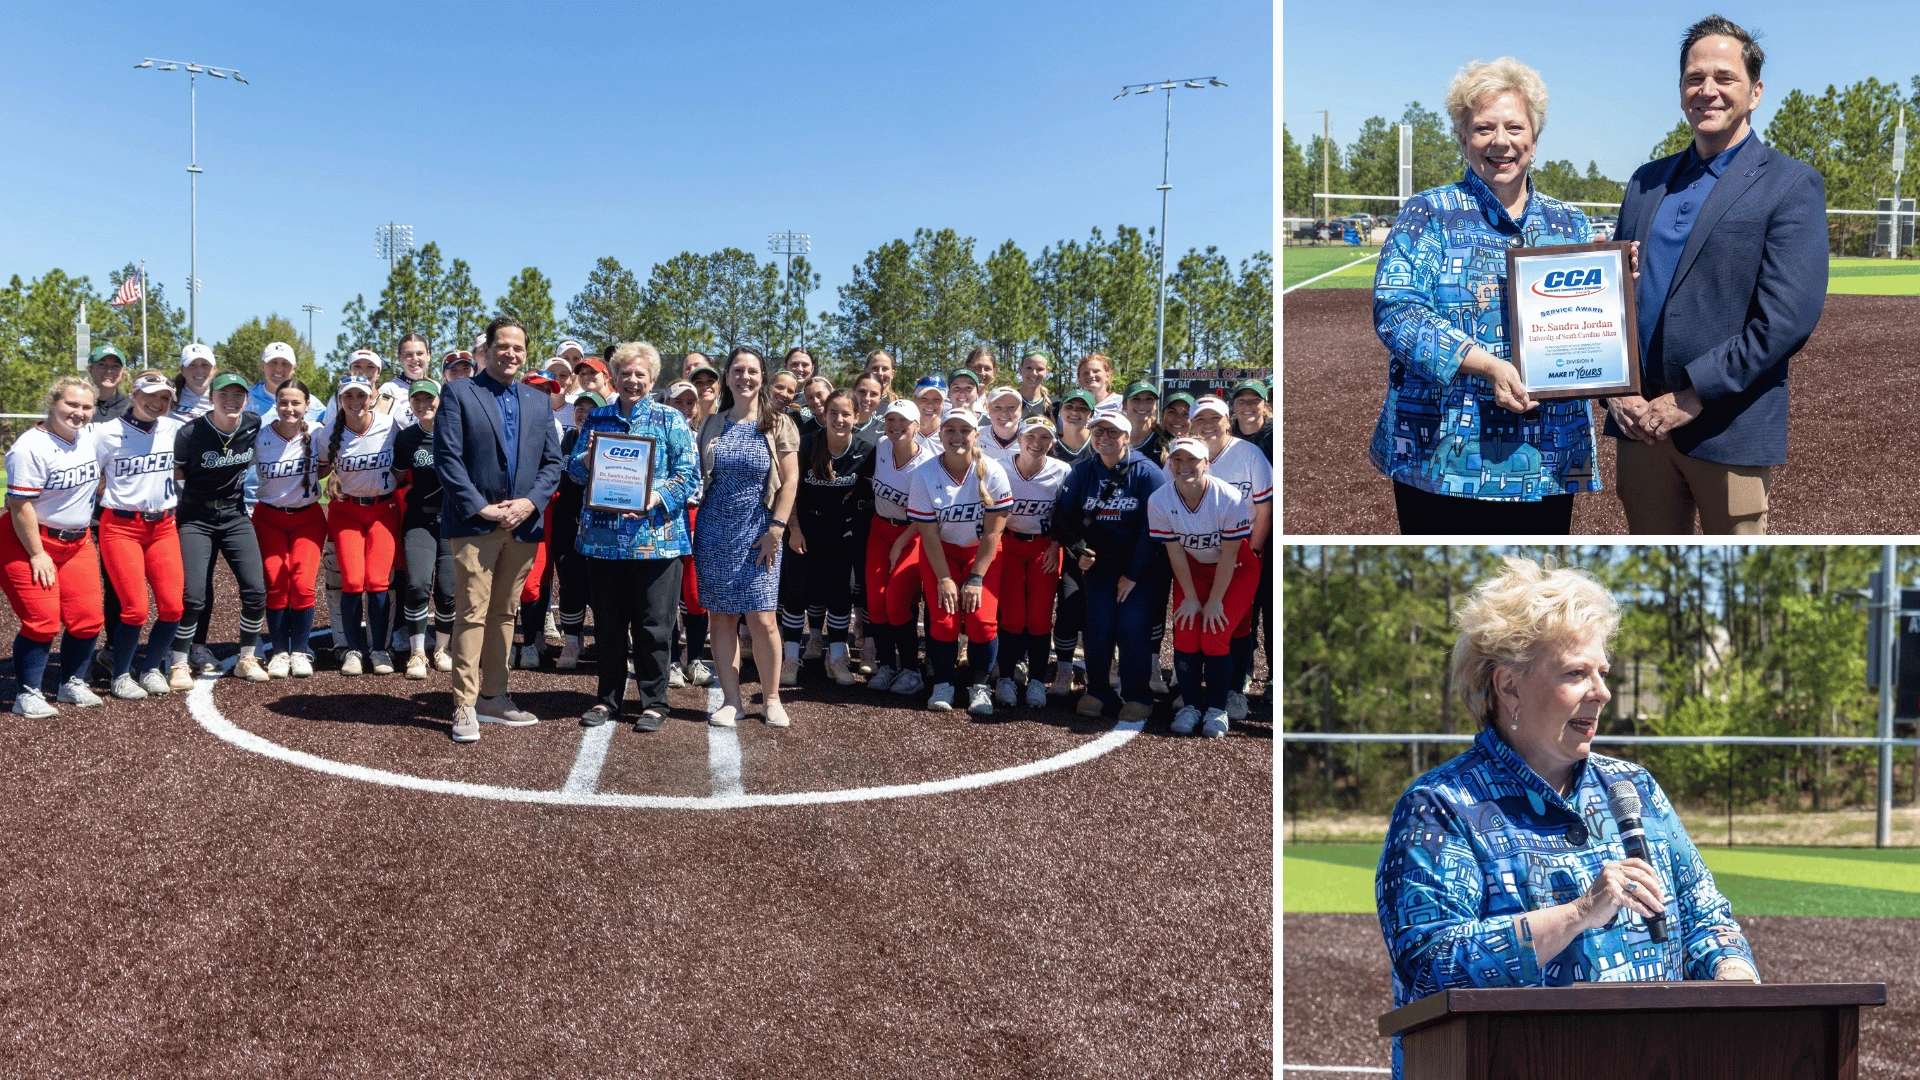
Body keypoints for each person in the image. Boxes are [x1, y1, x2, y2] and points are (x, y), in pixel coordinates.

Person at [1376, 557, 1758, 1080]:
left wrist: (1734, 976)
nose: (1601, 692)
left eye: (1602, 672)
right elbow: (1430, 967)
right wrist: (1579, 913)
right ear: (1509, 686)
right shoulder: (1441, 806)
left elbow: (1705, 918)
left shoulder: (1633, 787)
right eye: (1577, 673)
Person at [1605, 16, 1827, 535]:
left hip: (1728, 426)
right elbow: (1612, 299)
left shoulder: (1791, 184)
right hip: (1641, 424)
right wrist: (1616, 392)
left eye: (1725, 77)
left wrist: (1692, 397)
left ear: (1755, 92)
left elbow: (1785, 321)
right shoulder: (1646, 182)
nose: (1708, 90)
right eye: (1694, 78)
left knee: (1738, 567)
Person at [1368, 57, 1602, 534]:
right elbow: (1396, 311)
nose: (1500, 141)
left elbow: (1593, 325)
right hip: (1442, 458)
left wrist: (1615, 284)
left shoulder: (1570, 223)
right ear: (1462, 138)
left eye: (1515, 127)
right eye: (1483, 128)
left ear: (1534, 139)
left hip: (1547, 457)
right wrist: (1488, 365)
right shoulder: (1429, 212)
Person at [432, 316, 564, 744]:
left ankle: (493, 696)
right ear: (486, 351)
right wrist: (482, 508)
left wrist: (529, 503)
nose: (511, 353)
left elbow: (553, 464)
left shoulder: (539, 402)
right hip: (476, 523)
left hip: (523, 524)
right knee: (472, 611)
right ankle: (465, 704)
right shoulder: (458, 392)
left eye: (518, 347)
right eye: (503, 346)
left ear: (526, 353)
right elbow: (447, 459)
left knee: (504, 613)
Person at [568, 342, 701, 731]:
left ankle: (654, 702)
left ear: (652, 379)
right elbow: (574, 471)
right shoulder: (598, 418)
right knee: (609, 625)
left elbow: (689, 474)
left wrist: (654, 498)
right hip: (603, 541)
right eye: (625, 373)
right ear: (614, 377)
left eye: (640, 374)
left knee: (653, 626)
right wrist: (588, 458)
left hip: (657, 540)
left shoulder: (670, 418)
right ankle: (607, 699)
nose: (632, 380)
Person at [693, 346, 800, 728]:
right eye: (737, 370)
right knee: (721, 618)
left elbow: (790, 481)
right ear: (727, 377)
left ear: (763, 377)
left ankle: (771, 699)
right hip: (713, 531)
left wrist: (777, 528)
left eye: (752, 371)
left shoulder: (779, 424)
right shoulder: (712, 423)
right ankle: (732, 701)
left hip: (760, 533)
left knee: (763, 619)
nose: (745, 377)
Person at [1051, 411, 1164, 721]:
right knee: (1097, 628)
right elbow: (1063, 519)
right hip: (1099, 567)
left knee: (1131, 626)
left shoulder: (1148, 473)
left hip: (1141, 567)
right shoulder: (1082, 471)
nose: (1104, 438)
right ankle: (1099, 690)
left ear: (1126, 437)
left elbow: (1154, 530)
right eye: (1098, 431)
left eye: (1113, 432)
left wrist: (1132, 574)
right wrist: (1078, 550)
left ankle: (1138, 695)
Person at [4, 378, 106, 716]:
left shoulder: (88, 438)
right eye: (71, 404)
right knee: (42, 621)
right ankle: (27, 693)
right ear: (52, 402)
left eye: (86, 407)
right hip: (27, 539)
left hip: (77, 541)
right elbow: (19, 505)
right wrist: (37, 554)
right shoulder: (30, 446)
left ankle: (71, 683)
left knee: (88, 619)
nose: (79, 412)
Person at [1150, 438, 1258, 738]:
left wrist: (1214, 601)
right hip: (1193, 569)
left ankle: (1218, 708)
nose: (1184, 466)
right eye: (1177, 459)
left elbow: (1230, 555)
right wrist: (1191, 597)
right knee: (1186, 631)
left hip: (1236, 569)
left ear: (1206, 463)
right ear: (1169, 463)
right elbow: (1175, 553)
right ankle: (1191, 705)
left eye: (1192, 459)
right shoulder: (1159, 500)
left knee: (1215, 634)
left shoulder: (1228, 497)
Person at [908, 408, 1012, 715]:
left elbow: (994, 532)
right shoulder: (925, 474)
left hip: (982, 553)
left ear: (976, 435)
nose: (957, 436)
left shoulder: (992, 471)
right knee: (944, 620)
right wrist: (944, 578)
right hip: (941, 551)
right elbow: (928, 534)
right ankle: (943, 683)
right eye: (950, 430)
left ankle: (980, 685)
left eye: (964, 430)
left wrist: (976, 578)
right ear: (940, 435)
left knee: (981, 621)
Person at [92, 370, 187, 699]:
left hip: (163, 526)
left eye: (165, 397)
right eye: (150, 394)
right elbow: (87, 473)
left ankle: (150, 668)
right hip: (121, 527)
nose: (157, 402)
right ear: (134, 394)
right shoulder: (105, 433)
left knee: (173, 607)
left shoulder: (174, 429)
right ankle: (120, 673)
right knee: (134, 609)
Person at [171, 372, 270, 685]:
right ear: (211, 397)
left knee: (255, 590)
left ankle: (247, 657)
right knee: (193, 596)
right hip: (196, 519)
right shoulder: (190, 433)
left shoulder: (252, 424)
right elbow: (175, 474)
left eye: (238, 394)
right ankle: (179, 662)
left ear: (246, 398)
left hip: (234, 516)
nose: (231, 400)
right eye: (223, 394)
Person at [780, 388, 876, 687]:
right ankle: (790, 658)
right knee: (796, 594)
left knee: (840, 594)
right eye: (833, 413)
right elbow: (790, 489)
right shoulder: (807, 444)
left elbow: (869, 496)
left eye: (846, 413)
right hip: (805, 530)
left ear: (857, 417)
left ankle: (836, 658)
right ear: (824, 414)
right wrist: (794, 529)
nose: (839, 419)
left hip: (842, 533)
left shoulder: (866, 450)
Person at [1186, 396, 1273, 720]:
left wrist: (1255, 550)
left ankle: (1234, 690)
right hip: (1197, 554)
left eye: (1215, 418)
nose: (1208, 425)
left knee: (1235, 623)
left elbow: (1264, 508)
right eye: (1200, 419)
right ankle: (1192, 690)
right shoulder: (1183, 456)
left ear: (1228, 421)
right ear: (1192, 424)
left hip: (1240, 552)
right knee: (1193, 621)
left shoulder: (1249, 454)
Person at [316, 375, 403, 677]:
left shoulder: (388, 425)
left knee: (378, 581)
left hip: (383, 510)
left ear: (371, 397)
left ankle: (379, 649)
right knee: (352, 581)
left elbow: (403, 462)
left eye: (361, 395)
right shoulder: (327, 433)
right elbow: (318, 468)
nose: (355, 402)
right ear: (340, 400)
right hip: (347, 512)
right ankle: (354, 649)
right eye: (348, 396)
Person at [992, 416, 1071, 709]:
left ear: (1053, 442)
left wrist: (1056, 544)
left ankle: (1037, 679)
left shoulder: (1062, 470)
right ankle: (1006, 677)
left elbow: (1066, 513)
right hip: (1008, 543)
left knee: (1038, 618)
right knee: (1012, 616)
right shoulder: (999, 467)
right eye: (1031, 436)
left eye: (1045, 437)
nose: (1037, 443)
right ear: (1019, 439)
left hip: (1043, 546)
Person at [251, 378, 326, 679]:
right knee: (276, 583)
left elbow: (332, 460)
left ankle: (300, 650)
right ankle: (280, 651)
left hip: (308, 519)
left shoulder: (318, 433)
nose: (289, 408)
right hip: (269, 518)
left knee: (303, 584)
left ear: (307, 405)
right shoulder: (259, 436)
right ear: (276, 404)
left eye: (296, 403)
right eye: (283, 402)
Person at [859, 399, 935, 696]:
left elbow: (928, 514)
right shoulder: (881, 446)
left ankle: (912, 670)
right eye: (891, 419)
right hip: (880, 530)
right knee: (876, 602)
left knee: (897, 601)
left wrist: (900, 544)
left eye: (903, 420)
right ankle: (887, 666)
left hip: (913, 534)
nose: (896, 426)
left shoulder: (929, 462)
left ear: (917, 425)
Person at [392, 379, 456, 679]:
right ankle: (417, 652)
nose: (423, 404)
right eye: (416, 399)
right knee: (417, 584)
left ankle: (442, 648)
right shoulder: (406, 438)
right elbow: (396, 476)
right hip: (420, 519)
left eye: (429, 398)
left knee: (448, 589)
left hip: (453, 521)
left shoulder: (457, 433)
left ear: (440, 401)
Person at [547, 391, 599, 670]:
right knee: (570, 581)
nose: (583, 414)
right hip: (567, 520)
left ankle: (607, 638)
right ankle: (571, 642)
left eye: (591, 409)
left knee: (602, 583)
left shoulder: (611, 441)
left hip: (601, 524)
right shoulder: (565, 440)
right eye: (579, 408)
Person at [247, 341, 325, 422]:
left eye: (285, 364)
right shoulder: (245, 396)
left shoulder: (311, 403)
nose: (278, 368)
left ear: (294, 369)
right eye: (273, 362)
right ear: (262, 366)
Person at [382, 335, 433, 425]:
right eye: (408, 354)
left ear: (428, 356)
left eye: (420, 353)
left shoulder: (436, 387)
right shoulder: (388, 389)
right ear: (399, 357)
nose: (415, 359)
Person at [1123, 381, 1168, 465]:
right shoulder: (1113, 438)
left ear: (1156, 406)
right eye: (1135, 399)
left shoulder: (1166, 442)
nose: (1142, 405)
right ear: (1124, 404)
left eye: (1149, 399)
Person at [1050, 389, 1097, 467]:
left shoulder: (1099, 445)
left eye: (1083, 408)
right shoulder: (1050, 450)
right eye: (1069, 406)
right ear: (1060, 411)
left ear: (1091, 415)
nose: (1074, 412)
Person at [171, 343, 218, 420]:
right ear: (182, 370)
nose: (199, 371)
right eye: (192, 365)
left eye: (205, 365)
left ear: (214, 370)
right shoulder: (169, 397)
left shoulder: (223, 399)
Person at [88, 345, 133, 425]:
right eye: (102, 365)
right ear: (90, 368)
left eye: (115, 366)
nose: (108, 371)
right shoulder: (79, 405)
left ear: (122, 372)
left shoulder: (131, 409)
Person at [979, 386, 1024, 464]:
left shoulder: (1032, 438)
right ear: (989, 411)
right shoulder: (975, 436)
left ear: (1020, 412)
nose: (1004, 413)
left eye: (1011, 407)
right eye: (997, 407)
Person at [1230, 379, 1272, 459]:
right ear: (1234, 406)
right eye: (1241, 400)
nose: (1248, 405)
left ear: (1265, 406)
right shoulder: (1225, 435)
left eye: (1255, 400)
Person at [910, 376, 946, 450]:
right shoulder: (904, 433)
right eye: (924, 398)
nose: (930, 404)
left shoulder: (949, 435)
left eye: (936, 399)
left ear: (943, 403)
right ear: (914, 400)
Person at [1016, 350, 1053, 420]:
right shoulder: (1010, 401)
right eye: (1028, 368)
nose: (1034, 373)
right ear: (1020, 368)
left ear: (1047, 371)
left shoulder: (1055, 405)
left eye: (1040, 369)